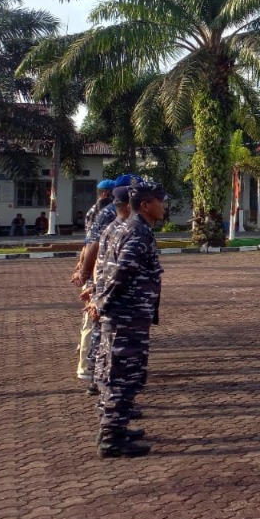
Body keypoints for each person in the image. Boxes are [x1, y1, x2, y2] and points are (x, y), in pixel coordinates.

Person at [92, 180, 166, 458]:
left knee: (114, 373)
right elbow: (120, 272)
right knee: (122, 377)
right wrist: (102, 303)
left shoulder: (124, 227)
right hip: (126, 316)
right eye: (160, 200)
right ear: (146, 205)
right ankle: (112, 440)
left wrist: (100, 302)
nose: (164, 205)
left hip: (124, 315)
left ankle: (115, 429)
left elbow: (104, 269)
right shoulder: (137, 233)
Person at [72, 177, 127, 389]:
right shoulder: (105, 213)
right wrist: (85, 273)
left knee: (95, 325)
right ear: (108, 193)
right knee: (94, 324)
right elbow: (91, 244)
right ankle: (88, 370)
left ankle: (93, 371)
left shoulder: (100, 211)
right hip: (100, 275)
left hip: (98, 274)